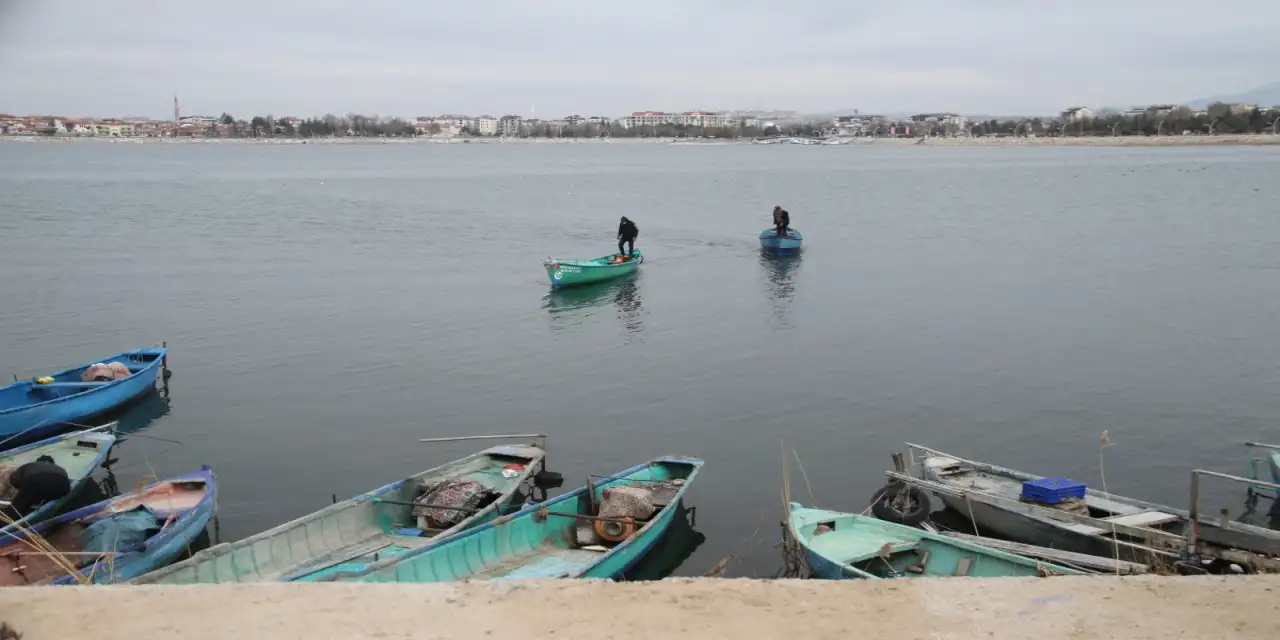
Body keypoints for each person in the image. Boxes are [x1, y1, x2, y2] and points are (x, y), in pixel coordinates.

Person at [0, 455, 70, 522]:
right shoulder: (57, 468)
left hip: (35, 481)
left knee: (17, 507)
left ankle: (5, 522)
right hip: (64, 487)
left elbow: (15, 480)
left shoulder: (24, 468)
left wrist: (20, 492)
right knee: (35, 496)